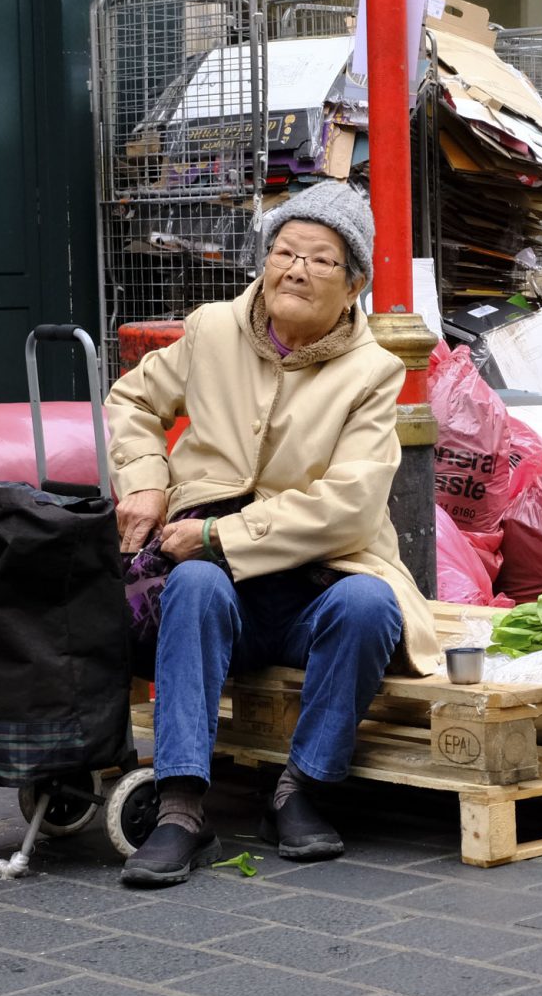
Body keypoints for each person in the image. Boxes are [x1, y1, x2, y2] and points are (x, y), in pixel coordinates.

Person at [103, 182, 439, 887]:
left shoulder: (372, 371)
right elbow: (132, 399)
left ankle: (301, 789)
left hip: (319, 579)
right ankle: (180, 807)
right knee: (195, 584)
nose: (295, 270)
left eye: (320, 260)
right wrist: (145, 480)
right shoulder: (212, 330)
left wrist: (221, 534)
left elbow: (350, 506)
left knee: (368, 606)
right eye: (284, 252)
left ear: (353, 285)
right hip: (219, 587)